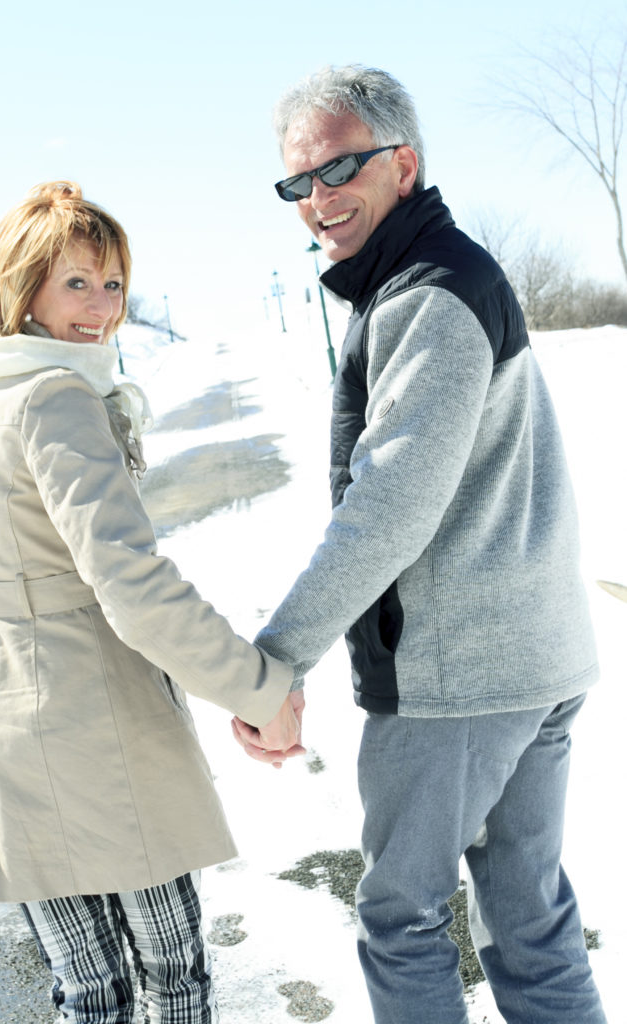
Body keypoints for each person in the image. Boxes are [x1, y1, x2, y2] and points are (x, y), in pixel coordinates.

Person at [233, 66, 607, 1024]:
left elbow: (388, 507)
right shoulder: (441, 276)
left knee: (400, 915)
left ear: (404, 163)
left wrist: (275, 660)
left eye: (339, 168)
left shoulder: (428, 296)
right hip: (532, 656)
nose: (319, 200)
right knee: (530, 919)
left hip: (460, 678)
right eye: (299, 184)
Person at [0, 180, 301, 1024]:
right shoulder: (56, 396)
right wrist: (260, 688)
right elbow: (131, 584)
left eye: (113, 285)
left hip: (6, 731)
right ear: (21, 284)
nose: (102, 307)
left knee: (87, 991)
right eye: (77, 282)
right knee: (171, 977)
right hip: (96, 730)